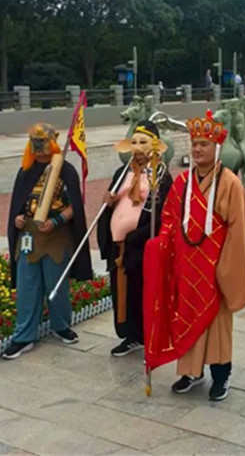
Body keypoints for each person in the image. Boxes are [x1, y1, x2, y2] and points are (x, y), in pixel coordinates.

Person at [143, 110, 245, 401]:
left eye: (203, 144)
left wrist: (226, 270)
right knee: (186, 319)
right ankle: (191, 372)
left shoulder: (230, 183)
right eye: (194, 144)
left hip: (215, 266)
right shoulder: (182, 182)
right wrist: (161, 243)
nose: (197, 149)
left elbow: (237, 231)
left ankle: (221, 376)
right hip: (186, 266)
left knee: (217, 326)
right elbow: (170, 218)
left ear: (216, 148)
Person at [4, 123, 92, 359]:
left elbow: (76, 206)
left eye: (42, 140)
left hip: (56, 238)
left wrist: (57, 220)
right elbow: (18, 205)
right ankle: (23, 336)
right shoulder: (25, 171)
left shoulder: (66, 170)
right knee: (27, 288)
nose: (38, 145)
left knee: (56, 286)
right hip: (29, 238)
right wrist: (18, 219)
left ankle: (61, 325)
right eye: (34, 140)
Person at [97, 120, 172, 357]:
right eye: (134, 142)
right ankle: (127, 333)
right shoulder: (122, 173)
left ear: (155, 146)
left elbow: (162, 214)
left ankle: (141, 334)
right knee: (120, 292)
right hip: (118, 246)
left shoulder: (161, 176)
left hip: (140, 247)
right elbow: (113, 200)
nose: (137, 148)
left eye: (143, 142)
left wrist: (136, 237)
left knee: (139, 292)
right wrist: (109, 203)